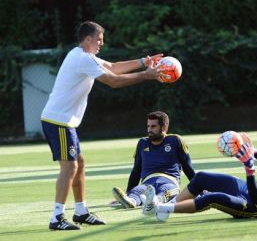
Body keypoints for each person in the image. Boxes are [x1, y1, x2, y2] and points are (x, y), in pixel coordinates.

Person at [41, 21, 167, 231]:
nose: (101, 43)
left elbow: (113, 67)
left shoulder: (83, 55)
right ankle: (57, 218)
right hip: (58, 122)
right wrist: (146, 76)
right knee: (70, 167)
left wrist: (143, 62)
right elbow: (114, 81)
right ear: (88, 39)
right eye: (99, 40)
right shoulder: (82, 58)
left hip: (62, 121)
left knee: (78, 164)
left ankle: (81, 212)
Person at [143, 133, 257, 221]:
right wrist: (254, 151)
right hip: (252, 191)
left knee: (213, 198)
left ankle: (161, 208)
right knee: (203, 177)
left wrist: (250, 170)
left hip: (252, 208)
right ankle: (165, 209)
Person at [112, 111, 195, 214]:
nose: (149, 130)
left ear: (164, 127)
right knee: (137, 192)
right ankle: (130, 201)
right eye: (148, 126)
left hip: (169, 182)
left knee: (167, 192)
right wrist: (128, 193)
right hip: (147, 183)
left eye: (153, 126)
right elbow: (136, 171)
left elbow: (188, 168)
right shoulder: (142, 143)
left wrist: (200, 189)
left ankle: (156, 201)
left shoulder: (175, 140)